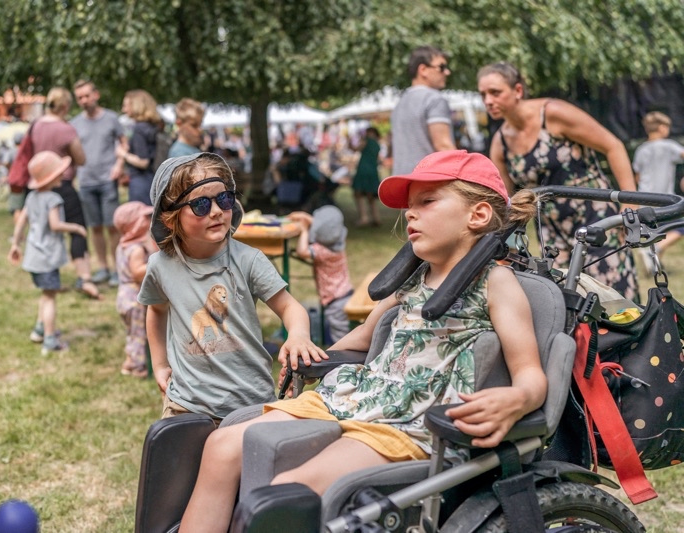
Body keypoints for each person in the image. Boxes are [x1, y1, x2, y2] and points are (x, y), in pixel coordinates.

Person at [179, 150, 548, 533]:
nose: (409, 213)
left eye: (427, 201)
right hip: (360, 395)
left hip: (408, 420)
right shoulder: (413, 277)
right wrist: (312, 352)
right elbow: (362, 337)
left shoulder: (496, 283)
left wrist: (518, 398)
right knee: (221, 447)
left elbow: (532, 376)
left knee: (286, 493)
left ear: (478, 215)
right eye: (409, 205)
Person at [137, 152, 328, 421]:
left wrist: (298, 335)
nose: (216, 211)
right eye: (201, 205)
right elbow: (156, 311)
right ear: (170, 217)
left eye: (224, 199)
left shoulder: (249, 260)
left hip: (251, 402)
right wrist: (159, 364)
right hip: (186, 404)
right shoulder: (160, 266)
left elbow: (289, 307)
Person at [477, 61, 639, 301]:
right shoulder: (501, 142)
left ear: (518, 91)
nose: (488, 100)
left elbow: (613, 146)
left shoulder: (553, 114)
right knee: (568, 300)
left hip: (595, 219)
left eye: (495, 92)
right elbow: (503, 200)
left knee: (613, 297)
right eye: (483, 94)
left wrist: (629, 201)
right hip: (552, 233)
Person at [8, 151, 89, 355]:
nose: (63, 175)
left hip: (34, 256)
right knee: (51, 297)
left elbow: (20, 223)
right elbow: (55, 225)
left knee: (45, 294)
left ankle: (39, 330)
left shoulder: (32, 197)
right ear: (52, 177)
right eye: (60, 173)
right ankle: (50, 339)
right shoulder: (53, 198)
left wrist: (15, 244)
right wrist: (76, 228)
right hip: (47, 257)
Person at [32, 86, 100, 299]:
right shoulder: (65, 129)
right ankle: (85, 277)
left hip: (40, 185)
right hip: (62, 184)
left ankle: (49, 278)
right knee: (77, 229)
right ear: (64, 106)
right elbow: (80, 159)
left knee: (45, 230)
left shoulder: (36, 125)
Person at [71, 79, 127, 288]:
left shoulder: (111, 119)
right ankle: (102, 267)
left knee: (112, 227)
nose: (84, 100)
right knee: (94, 228)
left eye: (87, 96)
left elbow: (124, 143)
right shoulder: (74, 124)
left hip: (107, 180)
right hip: (85, 181)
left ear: (96, 95)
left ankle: (116, 269)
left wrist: (120, 164)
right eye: (80, 98)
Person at [290, 205, 353, 345]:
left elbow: (302, 251)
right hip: (343, 295)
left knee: (341, 338)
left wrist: (304, 231)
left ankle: (345, 360)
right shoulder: (336, 243)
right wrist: (307, 217)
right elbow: (326, 227)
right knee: (341, 332)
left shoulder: (323, 251)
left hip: (335, 301)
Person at [391, 45, 455, 175]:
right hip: (428, 182)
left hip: (402, 182)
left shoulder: (400, 103)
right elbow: (443, 146)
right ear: (423, 70)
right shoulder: (434, 99)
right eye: (442, 67)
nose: (447, 72)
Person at [632, 111, 684, 268]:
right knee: (680, 227)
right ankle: (654, 251)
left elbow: (637, 177)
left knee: (656, 233)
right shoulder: (669, 146)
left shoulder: (641, 149)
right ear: (662, 128)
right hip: (664, 199)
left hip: (644, 200)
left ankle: (654, 262)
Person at [113, 201, 158, 378]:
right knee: (140, 334)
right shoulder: (136, 249)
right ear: (136, 224)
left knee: (132, 332)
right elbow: (137, 272)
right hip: (135, 298)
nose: (149, 221)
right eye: (145, 218)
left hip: (123, 297)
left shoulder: (122, 245)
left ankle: (129, 362)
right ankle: (138, 367)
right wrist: (156, 264)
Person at [115, 89, 163, 206]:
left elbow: (143, 161)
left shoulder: (139, 129)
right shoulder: (151, 127)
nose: (123, 110)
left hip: (140, 182)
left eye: (126, 105)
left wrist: (123, 154)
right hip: (152, 179)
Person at [352, 126, 383, 226]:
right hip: (373, 170)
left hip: (363, 170)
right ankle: (376, 217)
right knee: (371, 195)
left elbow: (356, 149)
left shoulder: (366, 141)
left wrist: (350, 141)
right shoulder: (378, 144)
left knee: (359, 193)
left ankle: (364, 217)